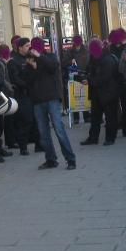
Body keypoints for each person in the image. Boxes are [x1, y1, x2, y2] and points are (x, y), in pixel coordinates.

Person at [23, 37, 76, 170]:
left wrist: (39, 56)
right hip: (37, 100)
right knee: (43, 132)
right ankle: (51, 159)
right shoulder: (29, 61)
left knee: (58, 129)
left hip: (52, 98)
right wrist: (33, 67)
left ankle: (70, 159)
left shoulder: (50, 56)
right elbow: (27, 80)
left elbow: (53, 67)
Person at [81, 38, 121, 146]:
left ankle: (110, 138)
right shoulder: (93, 58)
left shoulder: (108, 58)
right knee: (95, 117)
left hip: (108, 92)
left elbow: (105, 76)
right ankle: (93, 138)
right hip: (96, 92)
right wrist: (85, 77)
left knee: (110, 116)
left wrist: (90, 80)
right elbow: (89, 70)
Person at [7, 37, 35, 155]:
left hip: (33, 93)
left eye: (30, 45)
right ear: (20, 48)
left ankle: (38, 144)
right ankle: (23, 146)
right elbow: (15, 78)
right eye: (27, 46)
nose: (29, 47)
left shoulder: (31, 58)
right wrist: (27, 85)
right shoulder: (14, 61)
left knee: (35, 120)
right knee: (25, 120)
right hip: (22, 94)